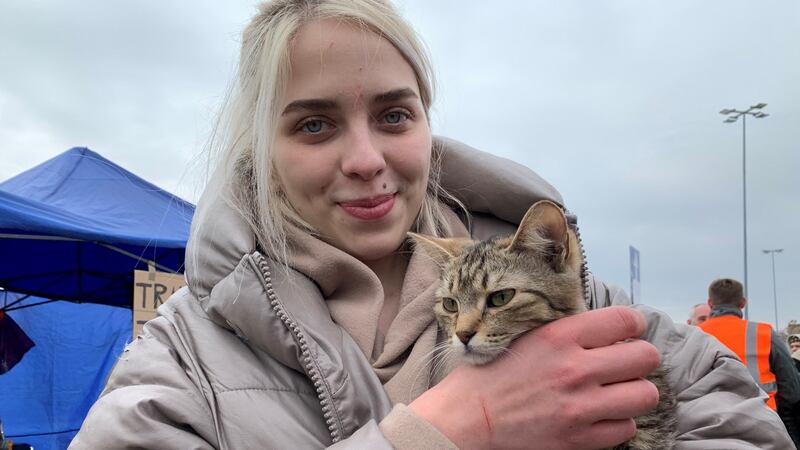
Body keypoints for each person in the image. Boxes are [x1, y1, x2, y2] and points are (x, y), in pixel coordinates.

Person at [70, 1, 793, 448]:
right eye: (315, 124)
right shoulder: (184, 356)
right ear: (261, 152)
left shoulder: (590, 304)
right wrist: (446, 432)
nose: (365, 159)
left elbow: (741, 429)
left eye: (392, 114)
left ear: (426, 123)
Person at [699, 278, 800, 447]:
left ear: (710, 303)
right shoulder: (763, 333)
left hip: (707, 428)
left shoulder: (696, 334)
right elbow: (792, 391)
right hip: (763, 426)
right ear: (743, 302)